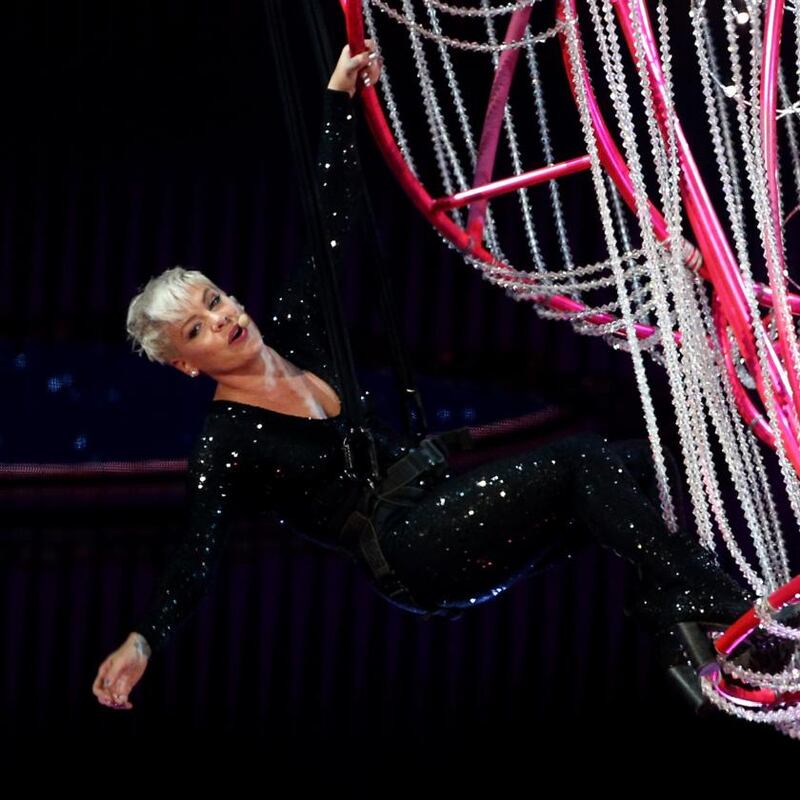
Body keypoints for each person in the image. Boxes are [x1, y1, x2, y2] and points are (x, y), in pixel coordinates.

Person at [92, 42, 757, 712]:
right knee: (583, 459)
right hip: (409, 552)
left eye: (214, 299)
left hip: (442, 504)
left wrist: (335, 104)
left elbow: (330, 222)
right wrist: (144, 639)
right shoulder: (227, 442)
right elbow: (196, 554)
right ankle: (710, 602)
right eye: (198, 329)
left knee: (641, 471)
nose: (223, 317)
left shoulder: (299, 332)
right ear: (184, 362)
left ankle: (674, 625)